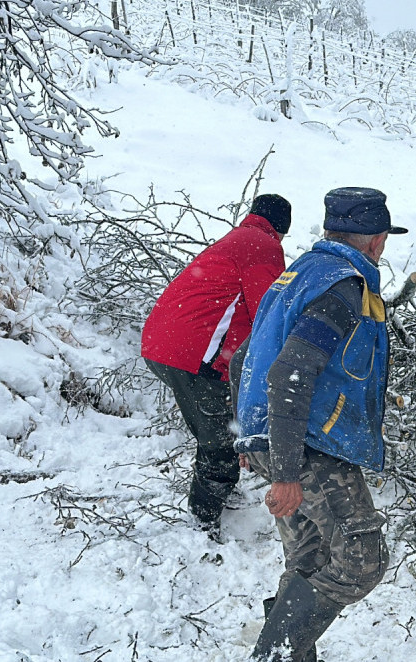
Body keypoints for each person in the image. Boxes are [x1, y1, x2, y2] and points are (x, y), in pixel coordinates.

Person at [232, 187, 404, 662]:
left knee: (310, 558)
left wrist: (252, 434)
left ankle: (287, 657)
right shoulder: (342, 287)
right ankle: (273, 655)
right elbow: (290, 370)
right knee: (361, 558)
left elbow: (243, 358)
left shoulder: (300, 273)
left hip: (280, 436)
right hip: (308, 444)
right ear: (376, 240)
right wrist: (286, 471)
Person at [140, 194, 291, 537]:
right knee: (220, 441)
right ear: (281, 230)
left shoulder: (237, 239)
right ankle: (202, 521)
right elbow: (269, 312)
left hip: (163, 345)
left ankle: (217, 492)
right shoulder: (262, 246)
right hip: (192, 353)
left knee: (219, 420)